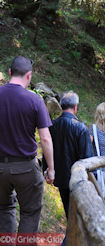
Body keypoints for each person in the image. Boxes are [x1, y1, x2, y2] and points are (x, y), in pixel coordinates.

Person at [0, 56, 55, 234]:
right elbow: (45, 138)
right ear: (29, 76)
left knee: (3, 209)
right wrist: (51, 168)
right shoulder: (35, 100)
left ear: (10, 72)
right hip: (26, 168)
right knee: (30, 213)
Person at [45, 90, 94, 219]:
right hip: (78, 180)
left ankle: (70, 237)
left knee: (69, 212)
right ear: (75, 107)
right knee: (80, 216)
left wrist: (47, 169)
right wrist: (93, 179)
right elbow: (88, 157)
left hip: (60, 178)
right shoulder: (81, 128)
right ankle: (70, 239)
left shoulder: (52, 126)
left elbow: (47, 149)